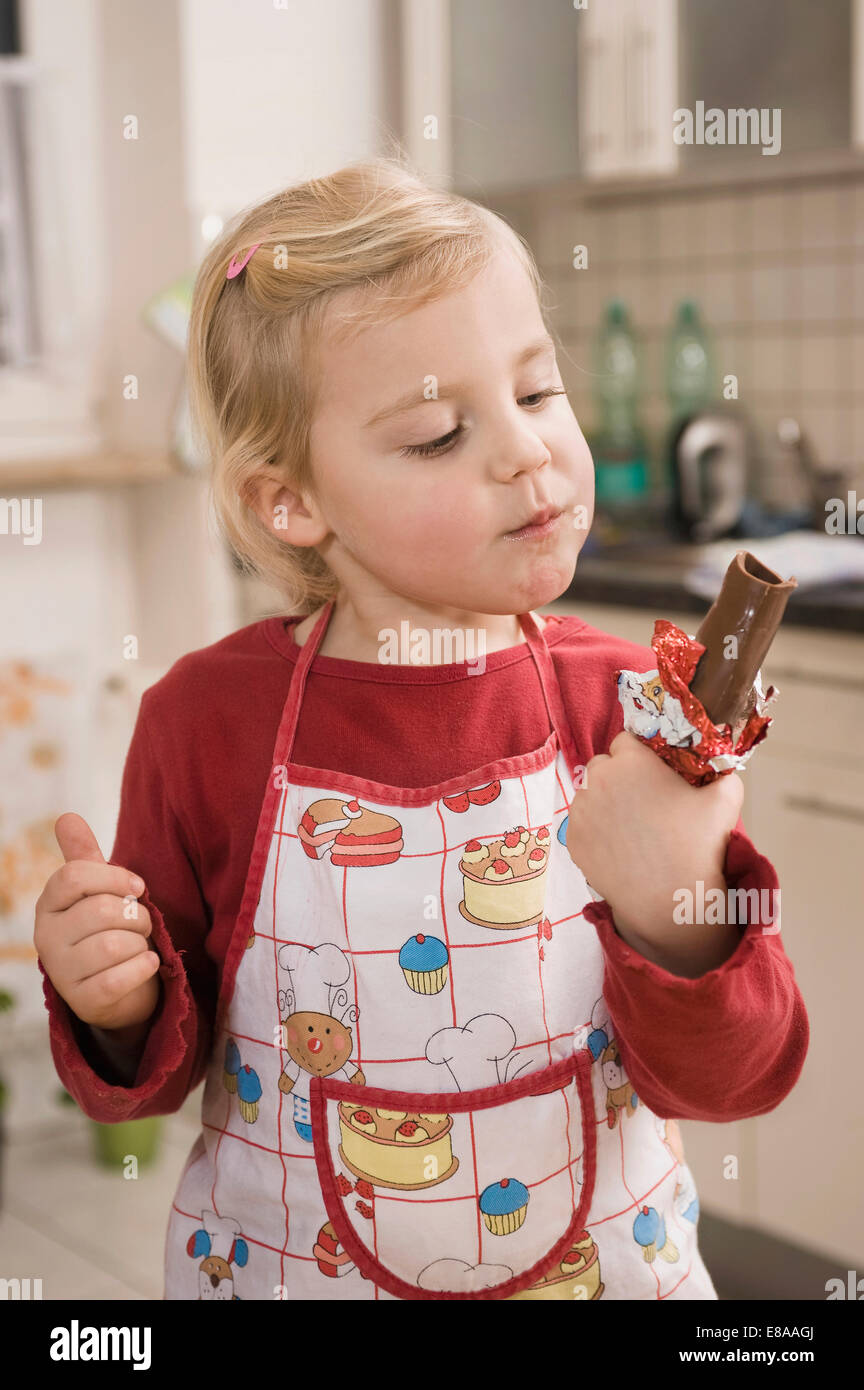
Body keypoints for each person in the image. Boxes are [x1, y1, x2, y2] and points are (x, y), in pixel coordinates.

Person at [34, 157, 808, 1301]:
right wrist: (113, 1003)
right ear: (290, 500)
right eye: (441, 433)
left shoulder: (634, 705)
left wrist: (677, 906)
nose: (527, 450)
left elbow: (741, 1077)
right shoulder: (203, 722)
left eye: (537, 393)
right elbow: (148, 1077)